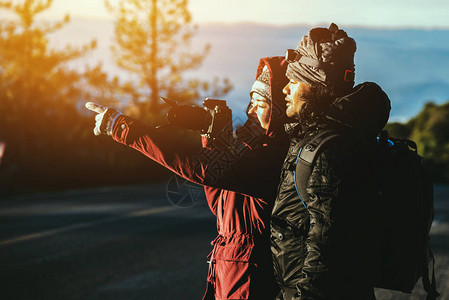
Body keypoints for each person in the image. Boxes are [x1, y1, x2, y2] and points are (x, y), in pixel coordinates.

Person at [86, 56, 290, 300]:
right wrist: (212, 137)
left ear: (279, 110)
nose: (250, 110)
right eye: (250, 101)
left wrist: (123, 128)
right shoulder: (254, 151)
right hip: (231, 275)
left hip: (252, 282)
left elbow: (202, 169)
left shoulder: (274, 156)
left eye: (260, 103)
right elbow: (218, 202)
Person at [270, 24, 391, 300]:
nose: (286, 89)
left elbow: (327, 242)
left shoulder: (330, 148)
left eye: (294, 80)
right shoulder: (327, 136)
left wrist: (303, 296)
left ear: (313, 85)